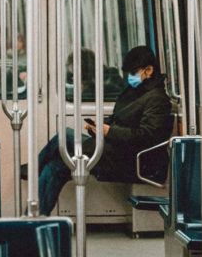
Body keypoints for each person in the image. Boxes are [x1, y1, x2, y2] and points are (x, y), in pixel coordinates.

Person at [36, 45, 173, 215]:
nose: (129, 78)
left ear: (149, 70)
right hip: (116, 150)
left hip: (134, 160)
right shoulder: (134, 92)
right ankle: (36, 170)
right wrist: (98, 127)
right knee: (63, 137)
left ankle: (37, 214)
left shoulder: (157, 100)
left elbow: (147, 136)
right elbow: (118, 119)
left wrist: (109, 131)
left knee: (56, 166)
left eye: (133, 73)